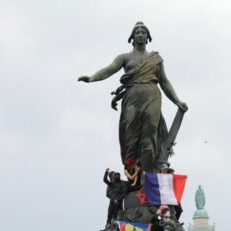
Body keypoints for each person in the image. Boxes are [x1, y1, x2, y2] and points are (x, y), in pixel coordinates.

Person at [78, 22, 188, 171]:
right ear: (132, 37)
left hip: (152, 94)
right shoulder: (124, 57)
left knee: (150, 129)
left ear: (148, 37)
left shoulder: (156, 58)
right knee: (130, 131)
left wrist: (177, 101)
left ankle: (148, 166)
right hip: (132, 96)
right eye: (137, 32)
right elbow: (109, 69)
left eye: (144, 32)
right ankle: (132, 166)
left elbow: (164, 81)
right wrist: (92, 78)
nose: (141, 34)